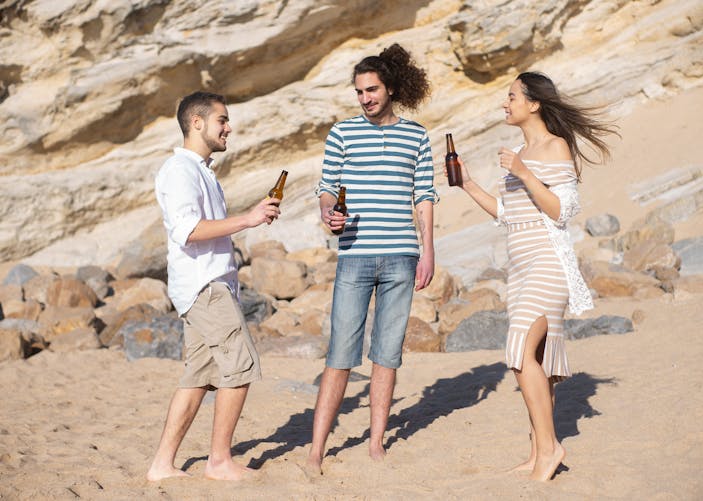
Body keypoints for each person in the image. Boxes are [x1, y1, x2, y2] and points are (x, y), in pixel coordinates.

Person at [450, 72, 617, 481]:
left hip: (547, 263)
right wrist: (468, 183)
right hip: (519, 267)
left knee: (520, 352)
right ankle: (536, 451)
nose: (505, 104)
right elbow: (510, 215)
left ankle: (550, 448)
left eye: (511, 97)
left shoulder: (554, 147)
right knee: (535, 360)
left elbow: (562, 210)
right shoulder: (523, 151)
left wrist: (524, 172)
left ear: (534, 103)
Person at [306, 43, 439, 474]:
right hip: (354, 255)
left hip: (402, 254)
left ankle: (376, 442)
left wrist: (429, 250)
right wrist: (329, 213)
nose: (365, 98)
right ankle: (316, 449)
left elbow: (424, 196)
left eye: (373, 90)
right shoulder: (342, 133)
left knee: (387, 353)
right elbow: (327, 187)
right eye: (360, 91)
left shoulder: (417, 135)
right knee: (340, 354)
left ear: (390, 88)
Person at [147, 91, 281, 481]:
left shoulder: (201, 172)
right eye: (222, 120)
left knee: (198, 378)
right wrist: (249, 219)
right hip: (204, 287)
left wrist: (248, 218)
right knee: (240, 367)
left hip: (207, 285)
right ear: (197, 123)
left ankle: (161, 465)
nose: (229, 127)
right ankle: (219, 461)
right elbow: (189, 231)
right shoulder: (180, 171)